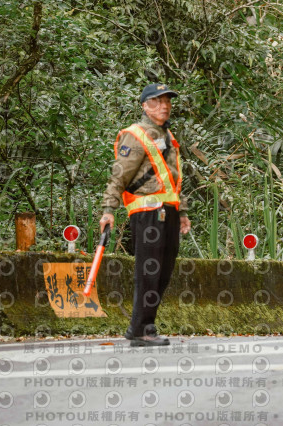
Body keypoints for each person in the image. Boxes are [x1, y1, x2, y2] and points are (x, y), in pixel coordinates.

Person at [100, 83, 191, 347]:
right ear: (144, 106)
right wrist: (108, 210)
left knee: (163, 272)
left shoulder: (167, 135)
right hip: (147, 212)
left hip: (168, 211)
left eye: (167, 101)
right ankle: (141, 328)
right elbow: (119, 175)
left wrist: (182, 211)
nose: (164, 106)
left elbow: (174, 178)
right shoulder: (135, 135)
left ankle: (142, 326)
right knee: (149, 271)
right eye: (157, 101)